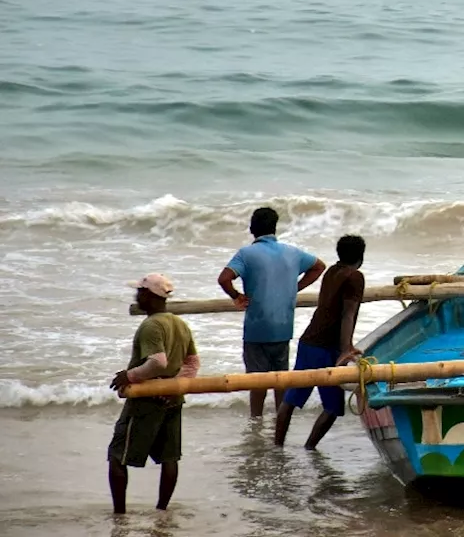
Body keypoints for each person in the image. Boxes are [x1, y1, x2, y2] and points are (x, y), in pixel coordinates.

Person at [218, 207, 325, 418]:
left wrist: (236, 296)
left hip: (257, 328)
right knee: (280, 379)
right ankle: (280, 420)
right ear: (275, 228)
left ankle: (256, 421)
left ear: (252, 229)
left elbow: (224, 279)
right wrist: (295, 287)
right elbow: (319, 266)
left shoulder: (246, 254)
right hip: (283, 327)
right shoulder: (293, 252)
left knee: (257, 381)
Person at [108, 274, 200, 514]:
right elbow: (193, 363)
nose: (136, 295)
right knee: (169, 457)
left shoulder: (150, 325)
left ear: (149, 296)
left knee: (118, 456)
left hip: (145, 400)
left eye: (139, 292)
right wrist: (173, 387)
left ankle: (119, 514)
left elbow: (158, 362)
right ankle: (162, 511)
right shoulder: (180, 323)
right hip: (173, 399)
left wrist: (129, 376)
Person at [275, 234, 366, 449]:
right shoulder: (355, 277)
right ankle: (309, 447)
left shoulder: (331, 272)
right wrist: (346, 349)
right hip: (327, 347)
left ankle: (277, 446)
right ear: (361, 256)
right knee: (333, 406)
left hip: (308, 342)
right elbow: (348, 313)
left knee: (291, 399)